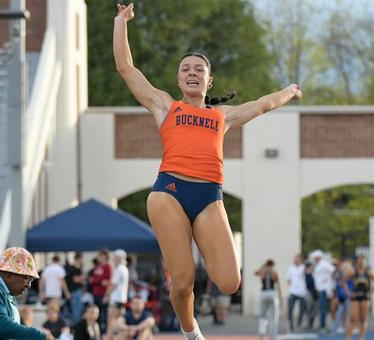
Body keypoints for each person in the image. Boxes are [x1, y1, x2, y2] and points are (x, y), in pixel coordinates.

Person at [113, 3, 301, 339]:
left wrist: (288, 92)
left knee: (230, 281)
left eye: (199, 69)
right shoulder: (165, 106)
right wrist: (120, 23)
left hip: (208, 196)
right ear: (178, 78)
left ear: (209, 79)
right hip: (169, 191)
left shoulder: (222, 117)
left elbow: (262, 104)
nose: (192, 73)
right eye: (186, 69)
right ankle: (192, 333)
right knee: (183, 280)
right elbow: (127, 68)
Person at [346, 255, 374, 340]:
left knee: (363, 319)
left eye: (363, 261)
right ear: (357, 262)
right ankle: (349, 338)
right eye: (360, 261)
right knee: (353, 319)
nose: (361, 263)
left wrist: (371, 292)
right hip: (355, 297)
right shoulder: (353, 272)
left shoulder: (368, 273)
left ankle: (361, 338)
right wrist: (348, 292)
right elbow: (343, 281)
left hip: (365, 297)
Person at [105, 249, 130, 340]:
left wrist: (106, 295)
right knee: (119, 321)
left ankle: (109, 338)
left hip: (116, 299)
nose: (113, 259)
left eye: (114, 257)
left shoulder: (119, 269)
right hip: (121, 299)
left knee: (111, 321)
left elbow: (113, 285)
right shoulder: (124, 269)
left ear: (118, 258)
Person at [255, 260, 283, 340]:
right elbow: (278, 286)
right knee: (273, 318)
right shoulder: (274, 273)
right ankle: (272, 336)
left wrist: (263, 266)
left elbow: (255, 273)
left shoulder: (262, 272)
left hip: (263, 293)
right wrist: (280, 299)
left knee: (262, 316)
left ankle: (262, 333)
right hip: (272, 293)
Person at [311, 250, 335, 332]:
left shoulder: (324, 264)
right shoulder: (317, 265)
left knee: (323, 308)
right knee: (322, 307)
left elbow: (333, 270)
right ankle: (322, 324)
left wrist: (328, 281)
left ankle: (323, 325)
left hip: (324, 289)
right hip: (320, 289)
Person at [89, 249, 112, 332]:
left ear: (104, 256)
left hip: (103, 295)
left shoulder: (108, 267)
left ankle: (104, 334)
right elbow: (92, 280)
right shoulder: (97, 267)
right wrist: (99, 281)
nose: (98, 257)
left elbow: (108, 281)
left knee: (103, 317)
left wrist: (97, 280)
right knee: (95, 316)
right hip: (95, 294)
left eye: (99, 255)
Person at [286, 254, 307, 332]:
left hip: (302, 292)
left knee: (302, 309)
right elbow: (288, 280)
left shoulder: (303, 267)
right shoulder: (290, 268)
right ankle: (290, 324)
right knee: (290, 309)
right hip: (293, 291)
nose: (296, 260)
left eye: (298, 259)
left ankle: (299, 323)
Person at [66, 252, 87, 324]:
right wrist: (84, 277)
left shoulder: (76, 268)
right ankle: (76, 327)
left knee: (78, 310)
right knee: (77, 311)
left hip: (76, 292)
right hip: (75, 292)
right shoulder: (73, 268)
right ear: (78, 259)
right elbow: (75, 279)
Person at [304, 262, 318, 330]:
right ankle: (309, 323)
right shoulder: (306, 275)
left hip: (315, 293)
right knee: (309, 308)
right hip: (309, 292)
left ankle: (311, 323)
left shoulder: (314, 275)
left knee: (314, 309)